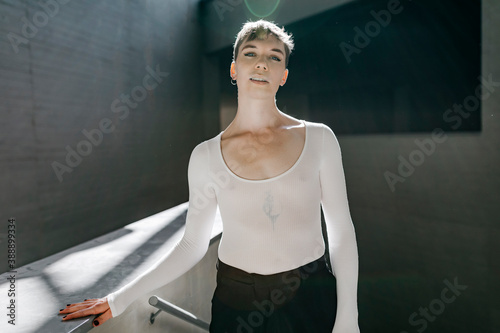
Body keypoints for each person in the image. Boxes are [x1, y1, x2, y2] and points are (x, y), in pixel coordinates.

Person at [59, 19, 360, 332]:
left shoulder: (319, 139)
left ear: (283, 76)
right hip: (237, 301)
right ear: (234, 69)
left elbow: (340, 231)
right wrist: (118, 300)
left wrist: (349, 316)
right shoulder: (205, 156)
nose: (261, 63)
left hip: (310, 296)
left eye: (274, 57)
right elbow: (192, 245)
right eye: (250, 53)